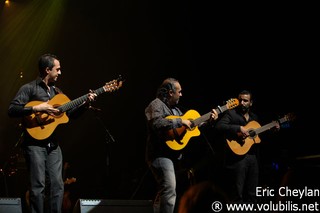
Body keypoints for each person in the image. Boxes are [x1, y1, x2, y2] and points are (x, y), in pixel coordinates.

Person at [8, 53, 97, 213]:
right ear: (47, 70)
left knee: (58, 185)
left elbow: (69, 115)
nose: (60, 72)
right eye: (58, 69)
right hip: (34, 144)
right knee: (38, 186)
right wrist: (37, 107)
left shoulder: (58, 92)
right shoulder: (29, 88)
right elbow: (12, 109)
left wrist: (85, 105)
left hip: (53, 145)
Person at [144, 77, 219, 213]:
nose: (181, 94)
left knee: (166, 191)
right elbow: (156, 123)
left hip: (174, 156)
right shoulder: (156, 105)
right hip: (159, 154)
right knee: (169, 189)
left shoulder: (177, 110)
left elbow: (193, 126)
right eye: (179, 91)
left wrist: (209, 121)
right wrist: (180, 121)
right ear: (170, 92)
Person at [214, 90, 279, 204]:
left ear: (251, 103)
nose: (242, 103)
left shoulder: (254, 117)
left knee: (252, 193)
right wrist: (238, 128)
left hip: (253, 157)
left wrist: (272, 130)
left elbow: (258, 137)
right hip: (237, 158)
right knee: (237, 194)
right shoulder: (231, 114)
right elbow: (219, 126)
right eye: (240, 100)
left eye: (245, 100)